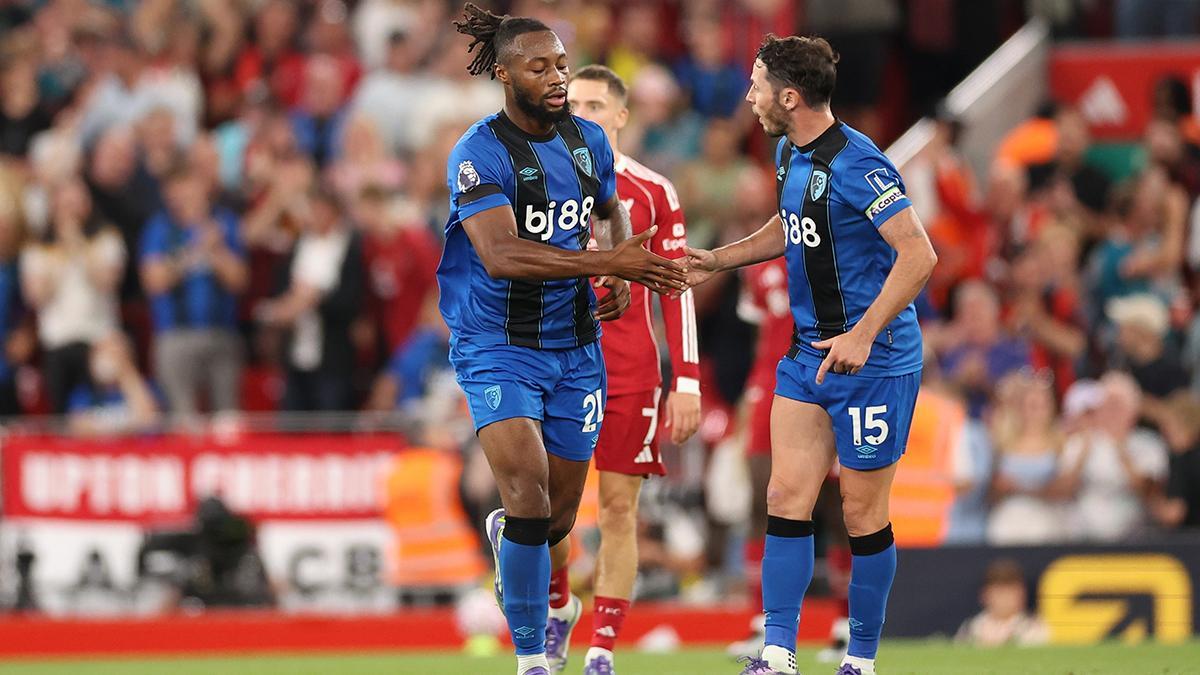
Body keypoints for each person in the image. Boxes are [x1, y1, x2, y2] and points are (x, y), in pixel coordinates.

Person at [439, 6, 687, 675]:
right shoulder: (478, 154)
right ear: (504, 73)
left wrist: (617, 273)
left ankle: (514, 544)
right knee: (527, 494)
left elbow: (611, 211)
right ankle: (531, 659)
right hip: (497, 343)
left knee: (555, 521)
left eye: (561, 65)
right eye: (539, 67)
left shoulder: (587, 141)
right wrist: (605, 262)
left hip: (577, 347)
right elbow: (501, 255)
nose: (556, 78)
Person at [685, 35, 937, 675]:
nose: (750, 97)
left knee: (861, 510)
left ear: (789, 97)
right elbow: (790, 225)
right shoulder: (786, 153)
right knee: (783, 494)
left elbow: (919, 254)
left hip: (875, 360)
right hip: (806, 354)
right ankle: (778, 653)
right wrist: (718, 260)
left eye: (757, 86)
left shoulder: (861, 163)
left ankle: (862, 658)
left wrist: (863, 334)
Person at [561, 64, 702, 674]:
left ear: (621, 116)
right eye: (572, 104)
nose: (581, 115)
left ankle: (601, 650)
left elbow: (676, 286)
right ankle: (557, 606)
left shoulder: (652, 191)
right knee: (550, 511)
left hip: (628, 369)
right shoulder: (531, 179)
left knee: (618, 509)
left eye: (594, 105)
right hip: (555, 366)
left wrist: (687, 379)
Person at [954, 559, 1048, 647]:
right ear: (985, 594)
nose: (1004, 598)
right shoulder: (970, 628)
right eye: (999, 592)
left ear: (1022, 594)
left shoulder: (1034, 628)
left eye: (1010, 592)